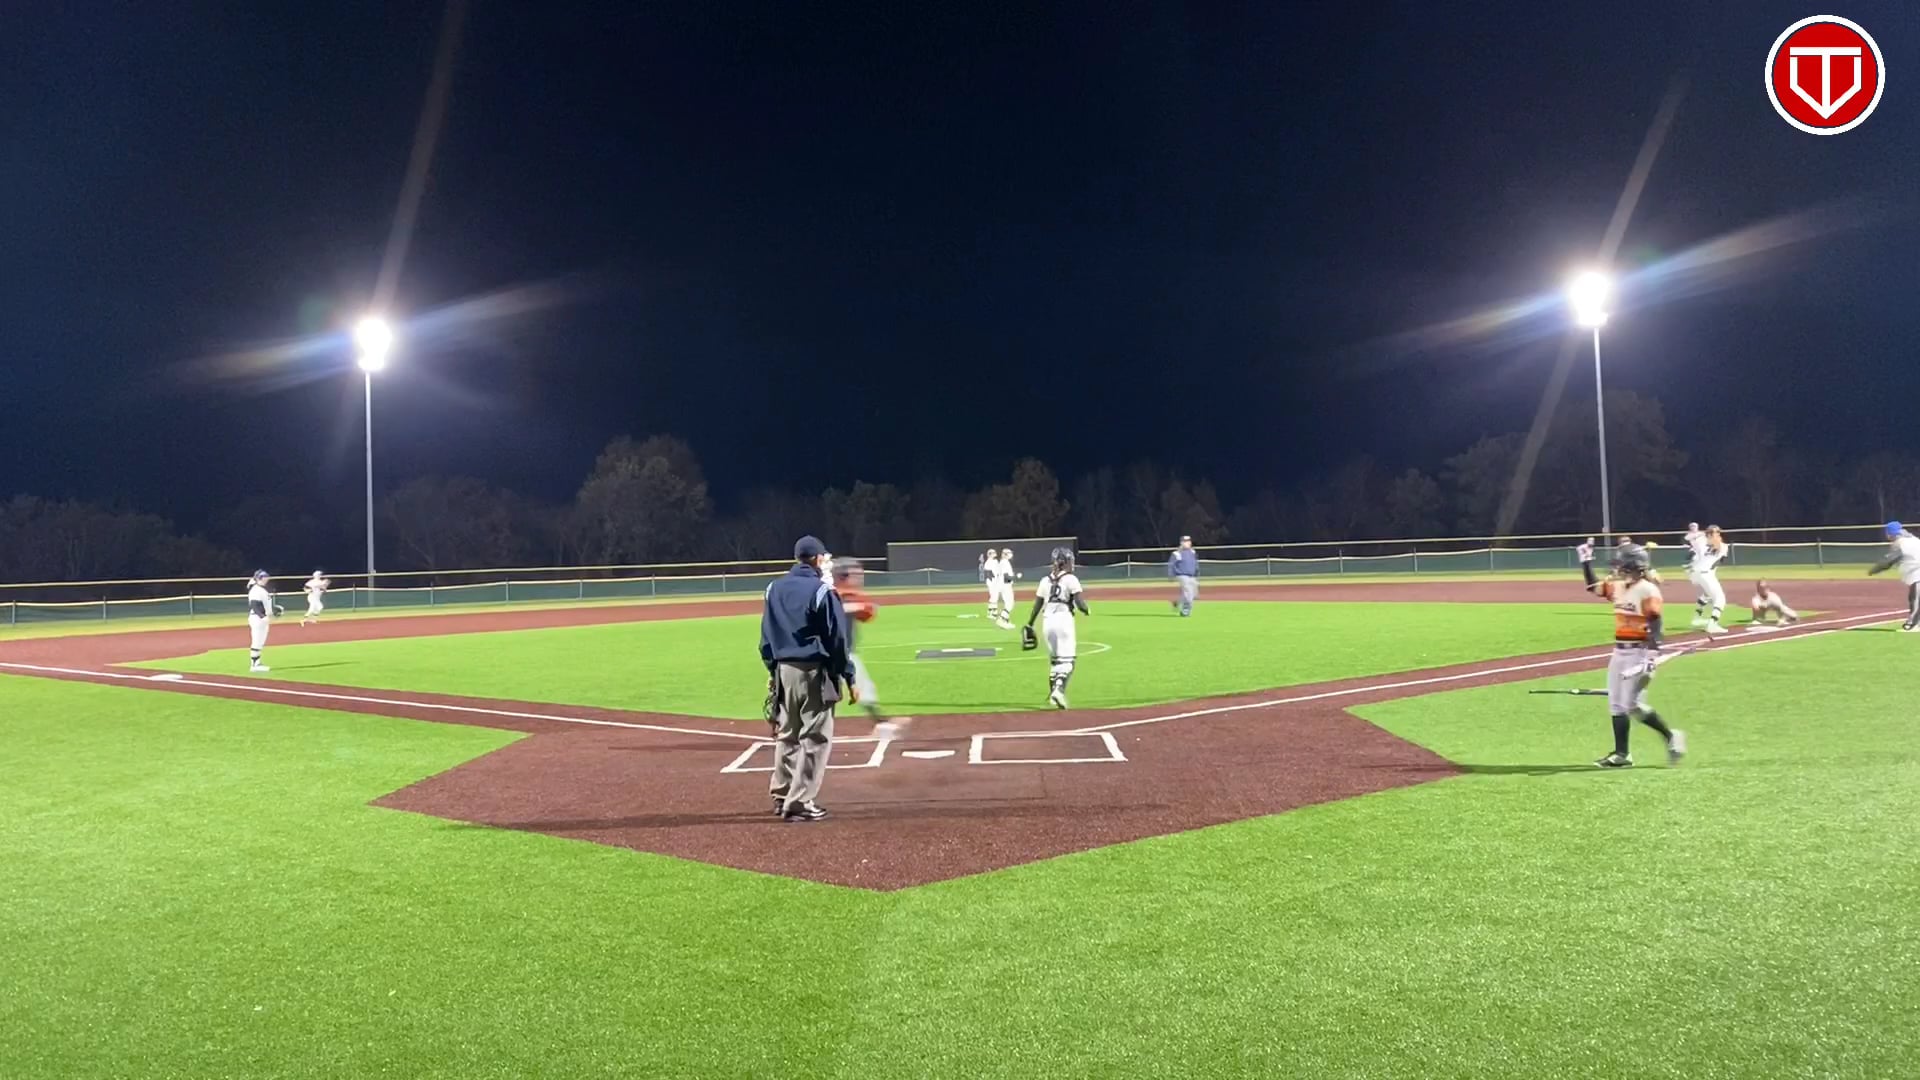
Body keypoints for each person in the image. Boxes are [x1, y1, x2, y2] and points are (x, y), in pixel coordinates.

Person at [759, 536, 854, 821]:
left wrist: (773, 672)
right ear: (817, 558)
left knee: (788, 734)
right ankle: (799, 802)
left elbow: (766, 637)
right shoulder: (822, 591)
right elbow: (837, 639)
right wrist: (847, 676)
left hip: (783, 670)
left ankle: (782, 795)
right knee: (815, 737)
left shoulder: (773, 588)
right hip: (814, 671)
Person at [1579, 538, 1686, 769]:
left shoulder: (1647, 589)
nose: (1617, 569)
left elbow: (1655, 621)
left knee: (1631, 705)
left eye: (1622, 565)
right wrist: (1586, 561)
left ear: (1633, 566)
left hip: (1640, 652)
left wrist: (1652, 653)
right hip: (1619, 652)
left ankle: (1671, 736)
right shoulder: (1619, 587)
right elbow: (1593, 588)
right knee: (1617, 704)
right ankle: (1622, 754)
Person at [829, 557, 912, 740]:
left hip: (842, 653)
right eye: (854, 575)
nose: (858, 578)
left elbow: (867, 614)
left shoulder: (847, 595)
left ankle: (880, 722)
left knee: (862, 687)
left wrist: (856, 605)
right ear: (842, 576)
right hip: (829, 654)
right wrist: (853, 605)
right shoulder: (830, 594)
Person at [1023, 546, 1089, 709]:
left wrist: (1030, 623)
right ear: (1064, 562)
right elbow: (1079, 602)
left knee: (1055, 661)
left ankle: (1053, 695)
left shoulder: (1044, 580)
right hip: (1063, 620)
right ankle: (1059, 690)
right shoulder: (1071, 579)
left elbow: (1037, 604)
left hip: (1047, 621)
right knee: (1069, 661)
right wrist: (1086, 610)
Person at [1867, 521, 1920, 632]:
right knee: (1914, 597)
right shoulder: (1913, 539)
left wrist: (1874, 570)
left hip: (1917, 574)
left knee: (1915, 599)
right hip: (1915, 573)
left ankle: (1913, 625)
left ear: (1890, 533)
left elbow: (1888, 561)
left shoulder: (1900, 543)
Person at [1684, 523, 1730, 635]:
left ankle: (1697, 617)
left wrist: (1699, 535)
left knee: (1708, 594)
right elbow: (1719, 550)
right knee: (1720, 599)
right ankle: (1712, 624)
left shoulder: (1703, 543)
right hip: (1706, 573)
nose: (1718, 534)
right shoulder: (1721, 545)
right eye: (1716, 532)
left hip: (1698, 573)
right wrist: (1702, 536)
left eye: (1718, 532)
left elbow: (1689, 539)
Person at [245, 570, 284, 673]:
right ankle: (254, 665)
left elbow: (265, 605)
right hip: (257, 618)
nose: (267, 579)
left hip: (261, 618)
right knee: (257, 641)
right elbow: (254, 605)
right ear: (260, 578)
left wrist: (274, 611)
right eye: (265, 577)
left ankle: (257, 663)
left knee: (260, 642)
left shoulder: (261, 589)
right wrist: (262, 616)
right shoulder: (256, 590)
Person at [1167, 535, 1199, 616]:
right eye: (1185, 541)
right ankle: (1185, 610)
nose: (1187, 543)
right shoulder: (1177, 553)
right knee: (1188, 593)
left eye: (1188, 541)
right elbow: (1171, 565)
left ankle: (1177, 602)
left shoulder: (1193, 552)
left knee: (1194, 594)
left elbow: (1195, 563)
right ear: (1181, 543)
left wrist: (1197, 571)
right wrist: (1171, 575)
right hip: (1182, 575)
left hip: (1192, 575)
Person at [980, 546, 1004, 623]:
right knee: (994, 596)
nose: (995, 553)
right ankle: (992, 613)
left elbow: (999, 571)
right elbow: (989, 574)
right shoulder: (988, 563)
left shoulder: (995, 561)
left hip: (995, 581)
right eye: (993, 553)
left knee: (995, 597)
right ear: (989, 554)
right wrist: (995, 581)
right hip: (991, 581)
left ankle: (993, 612)